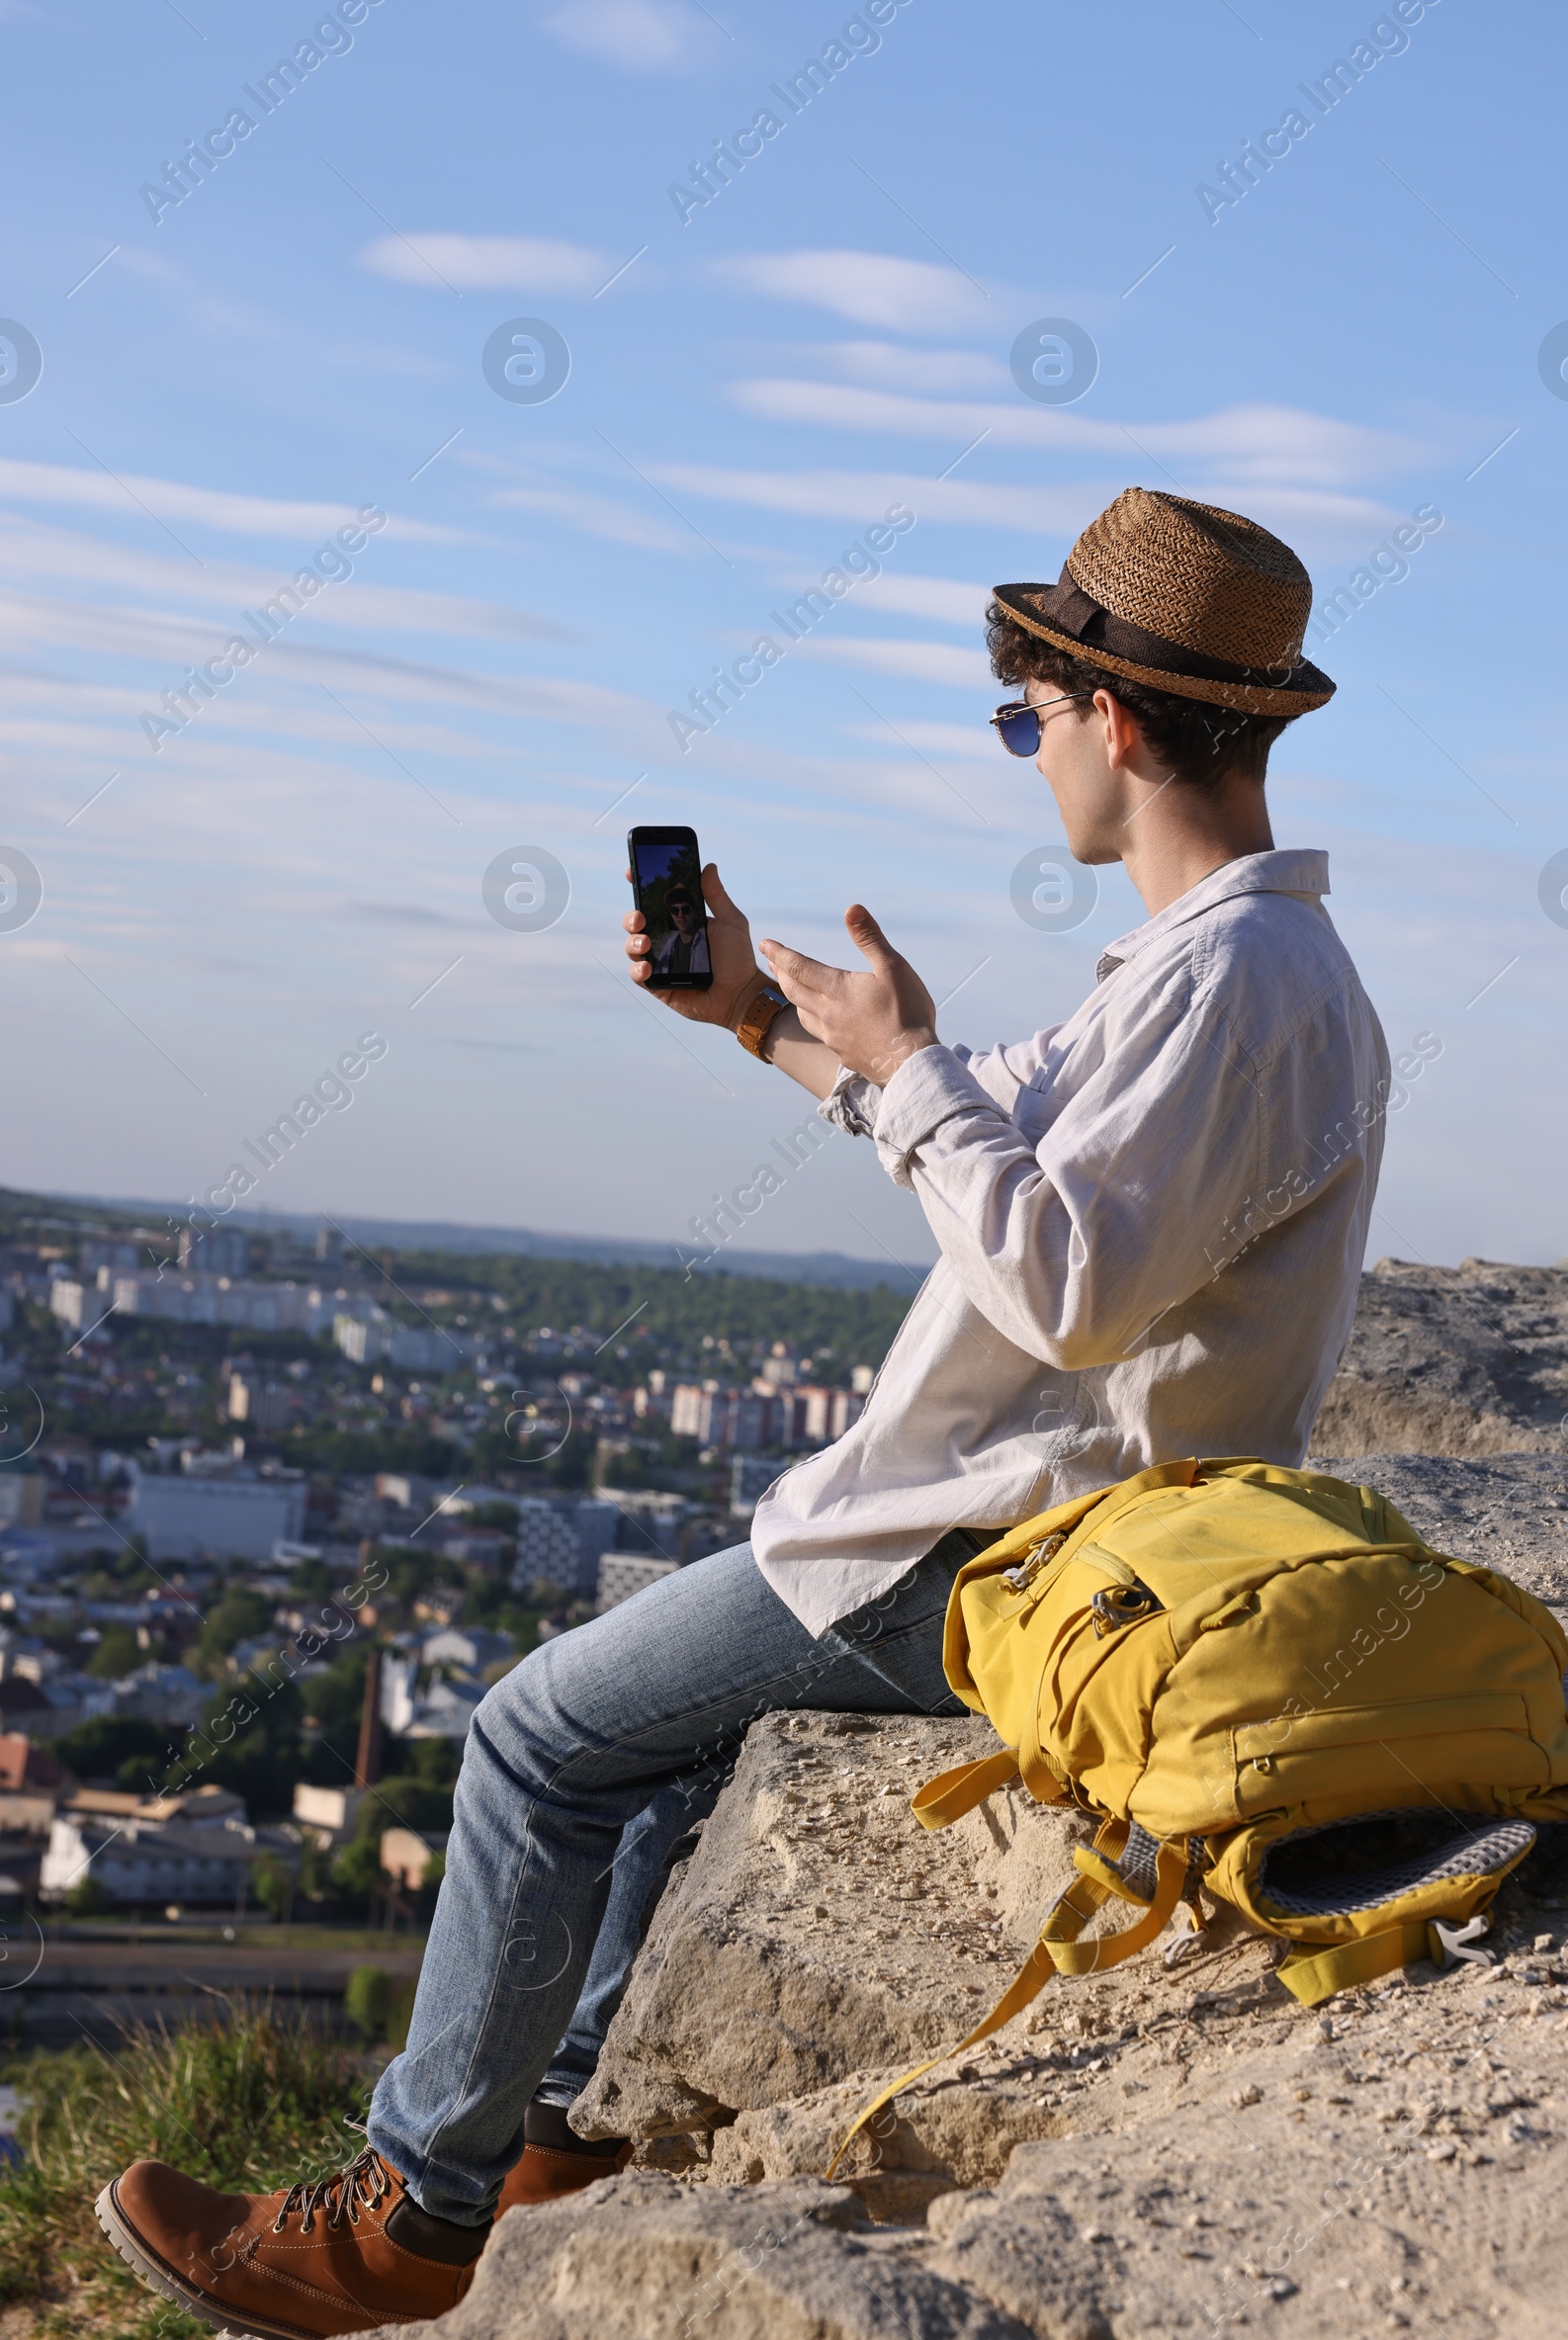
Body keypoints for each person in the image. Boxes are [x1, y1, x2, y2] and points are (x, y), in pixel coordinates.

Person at [97, 488, 1391, 2337]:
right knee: (660, 1757)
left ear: (1110, 717)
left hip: (1012, 1545)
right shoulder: (1230, 971)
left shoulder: (1238, 984)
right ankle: (548, 2134)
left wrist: (911, 1063)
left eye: (1027, 721)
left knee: (540, 1735)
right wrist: (772, 1027)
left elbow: (1067, 1276)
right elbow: (981, 1125)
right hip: (1043, 1526)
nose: (1028, 759)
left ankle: (410, 2206)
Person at [647, 886, 711, 978]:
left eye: (685, 909)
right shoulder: (669, 944)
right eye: (675, 910)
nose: (680, 915)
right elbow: (660, 971)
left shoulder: (706, 946)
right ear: (671, 915)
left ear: (694, 912)